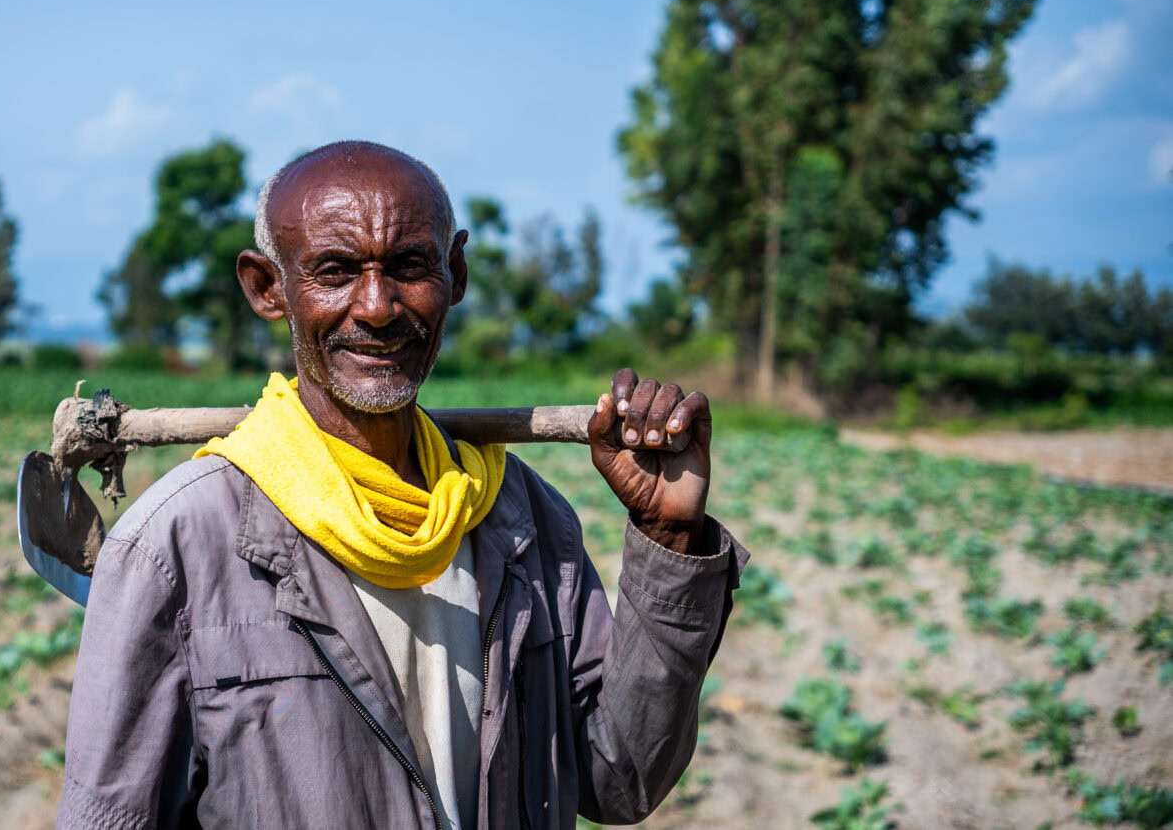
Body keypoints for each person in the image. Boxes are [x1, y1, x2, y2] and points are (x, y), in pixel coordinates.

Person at [57, 140, 748, 830]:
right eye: (334, 270)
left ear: (455, 272)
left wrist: (670, 533)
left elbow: (619, 777)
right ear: (268, 288)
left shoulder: (521, 519)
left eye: (410, 266)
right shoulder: (178, 546)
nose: (378, 306)